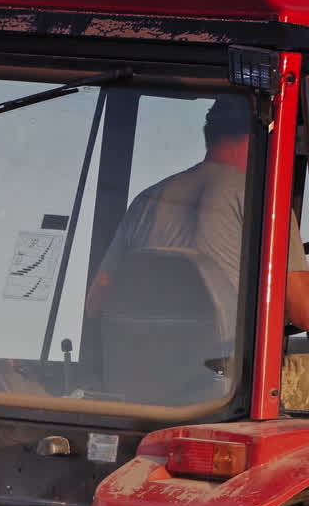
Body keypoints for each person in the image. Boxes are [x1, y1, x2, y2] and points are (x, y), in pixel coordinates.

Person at [87, 94, 309, 336]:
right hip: (223, 368)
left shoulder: (147, 201)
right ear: (257, 138)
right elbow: (301, 308)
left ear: (211, 135)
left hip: (142, 367)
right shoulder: (264, 203)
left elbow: (97, 301)